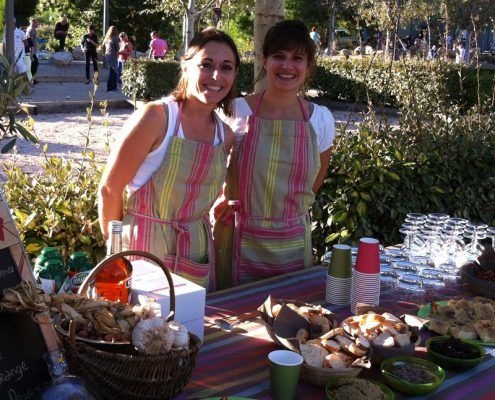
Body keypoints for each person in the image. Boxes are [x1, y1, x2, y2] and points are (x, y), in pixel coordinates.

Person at [98, 27, 239, 292]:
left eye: (226, 67)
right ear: (186, 67)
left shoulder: (226, 136)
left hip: (195, 254)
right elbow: (109, 190)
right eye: (206, 65)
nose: (216, 76)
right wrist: (114, 255)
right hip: (143, 255)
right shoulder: (157, 118)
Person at [214, 20, 335, 288]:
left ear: (308, 65)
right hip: (237, 240)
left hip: (292, 244)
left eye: (297, 58)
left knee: (292, 321)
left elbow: (316, 180)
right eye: (278, 56)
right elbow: (211, 172)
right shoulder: (235, 111)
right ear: (265, 60)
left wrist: (286, 215)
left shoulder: (320, 119)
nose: (287, 66)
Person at [103, 26, 119, 92]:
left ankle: (114, 86)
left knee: (113, 71)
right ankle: (110, 87)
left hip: (107, 56)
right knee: (113, 72)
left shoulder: (106, 38)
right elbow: (117, 47)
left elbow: (103, 47)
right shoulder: (115, 38)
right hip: (113, 56)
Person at [26, 19, 39, 84]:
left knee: (34, 65)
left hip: (33, 51)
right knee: (34, 64)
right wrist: (31, 53)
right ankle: (32, 80)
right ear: (33, 23)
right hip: (32, 51)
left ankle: (33, 79)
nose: (38, 24)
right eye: (37, 23)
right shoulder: (31, 30)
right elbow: (29, 41)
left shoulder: (33, 30)